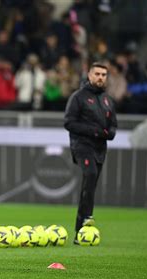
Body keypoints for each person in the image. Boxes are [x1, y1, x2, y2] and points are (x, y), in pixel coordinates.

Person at [64, 62, 117, 244]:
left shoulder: (107, 100)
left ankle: (81, 229)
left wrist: (106, 133)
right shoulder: (78, 97)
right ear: (89, 75)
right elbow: (69, 123)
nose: (101, 77)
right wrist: (95, 131)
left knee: (91, 184)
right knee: (91, 174)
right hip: (81, 146)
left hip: (100, 149)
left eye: (104, 74)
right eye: (97, 74)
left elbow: (113, 129)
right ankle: (85, 220)